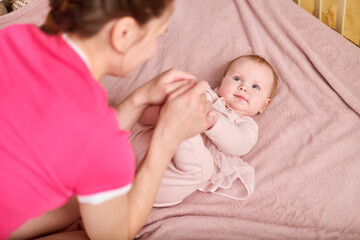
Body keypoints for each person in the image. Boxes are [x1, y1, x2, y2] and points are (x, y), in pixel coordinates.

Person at [0, 0, 217, 239]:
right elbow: (114, 235)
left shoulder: (14, 36)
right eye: (157, 36)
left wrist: (138, 100)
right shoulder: (100, 139)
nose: (152, 50)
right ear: (123, 33)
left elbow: (83, 146)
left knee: (73, 199)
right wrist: (166, 140)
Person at [130, 54, 279, 206]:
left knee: (203, 167)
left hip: (164, 180)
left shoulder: (246, 124)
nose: (243, 87)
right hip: (143, 146)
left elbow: (240, 144)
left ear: (264, 105)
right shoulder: (207, 96)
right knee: (159, 109)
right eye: (237, 79)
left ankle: (181, 130)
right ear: (222, 82)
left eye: (255, 87)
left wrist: (212, 121)